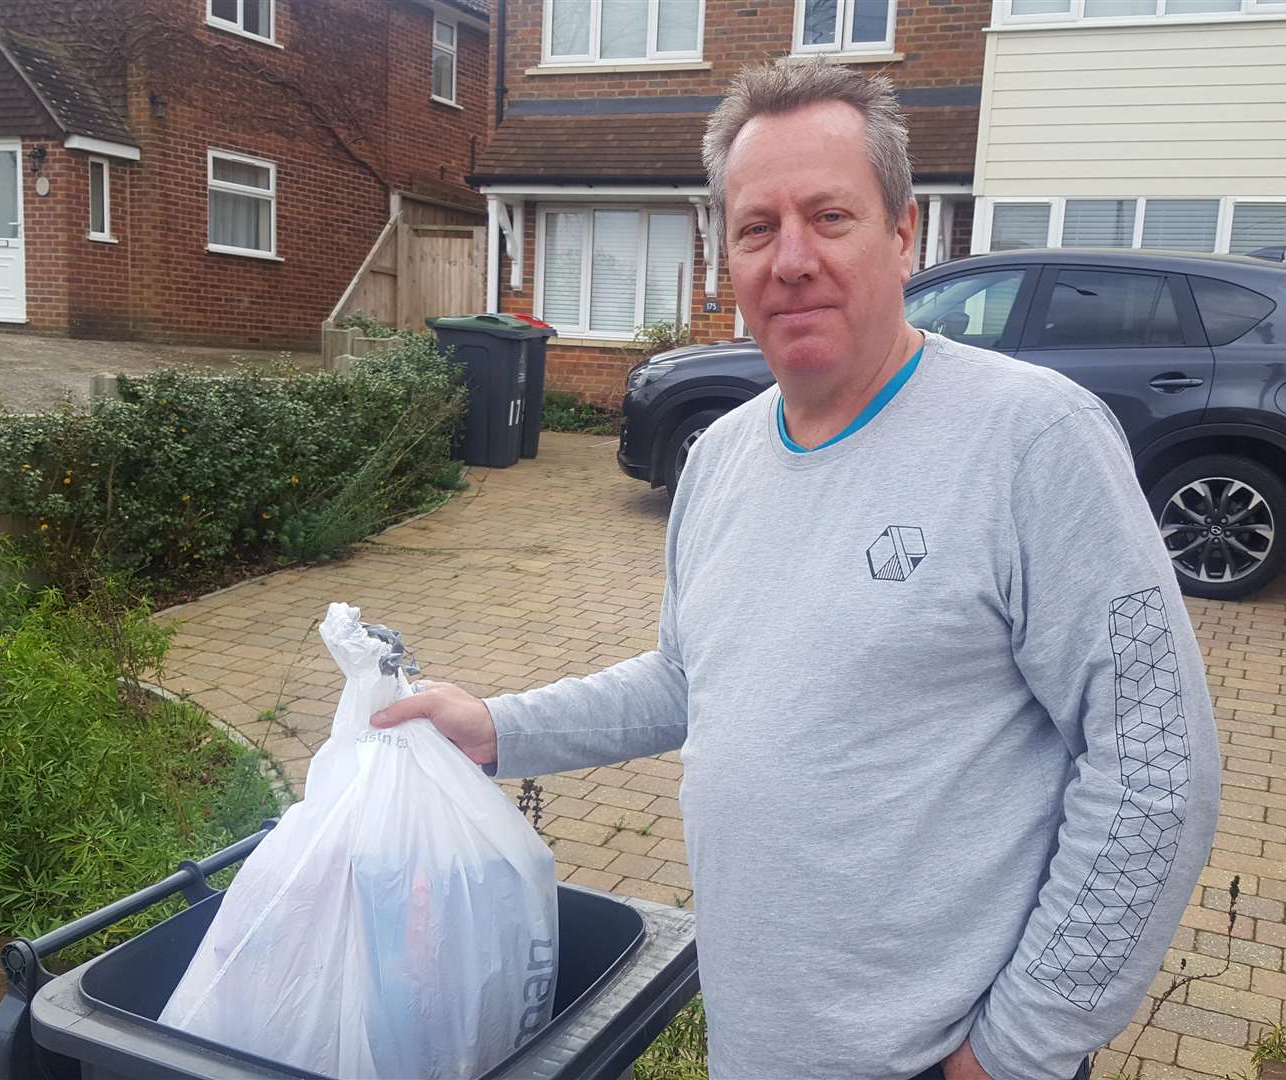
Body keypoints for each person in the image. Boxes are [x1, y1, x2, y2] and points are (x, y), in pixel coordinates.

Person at [374, 61, 1220, 1080]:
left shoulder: (1033, 441)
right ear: (725, 252)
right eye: (757, 227)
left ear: (903, 235)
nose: (792, 260)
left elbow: (1154, 772)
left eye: (830, 216)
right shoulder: (720, 457)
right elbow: (691, 682)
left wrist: (1017, 1052)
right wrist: (499, 729)